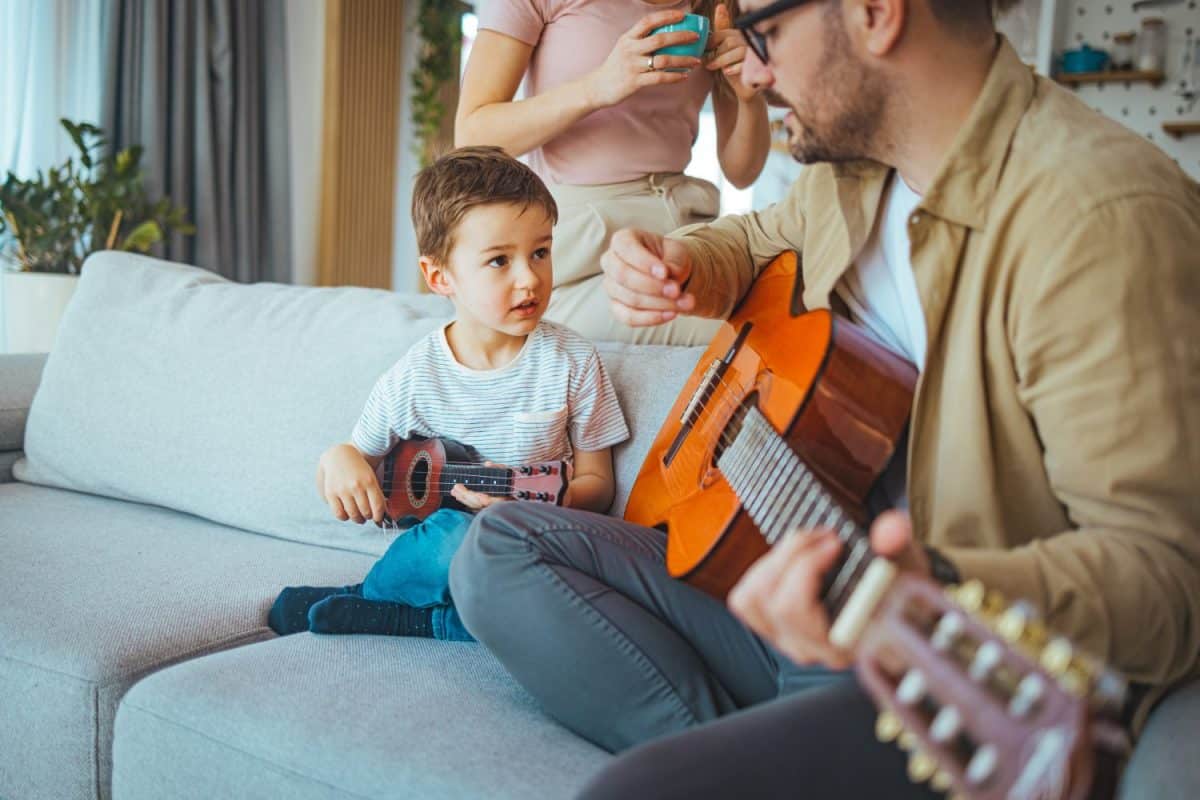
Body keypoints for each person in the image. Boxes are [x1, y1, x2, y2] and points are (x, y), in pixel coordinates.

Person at [449, 0, 1200, 796]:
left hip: (927, 655)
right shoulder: (856, 176)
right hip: (793, 598)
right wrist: (687, 263)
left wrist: (931, 587)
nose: (756, 72)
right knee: (496, 550)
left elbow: (1165, 575)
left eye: (764, 35)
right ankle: (747, 747)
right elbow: (753, 238)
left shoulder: (1096, 221)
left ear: (876, 15)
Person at [268, 146, 629, 641]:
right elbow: (359, 458)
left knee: (566, 600)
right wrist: (339, 457)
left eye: (540, 252)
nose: (529, 277)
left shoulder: (572, 362)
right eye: (499, 260)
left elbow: (599, 483)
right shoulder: (413, 378)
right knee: (449, 540)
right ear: (440, 277)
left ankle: (392, 611)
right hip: (446, 550)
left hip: (534, 543)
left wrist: (529, 509)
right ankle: (401, 604)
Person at [456, 0, 770, 345]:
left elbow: (742, 172)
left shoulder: (717, 7)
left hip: (680, 233)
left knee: (784, 299)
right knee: (756, 328)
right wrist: (599, 86)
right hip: (580, 253)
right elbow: (472, 135)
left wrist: (749, 97)